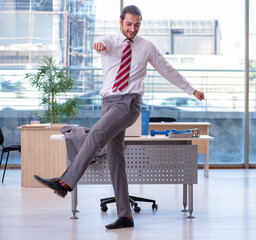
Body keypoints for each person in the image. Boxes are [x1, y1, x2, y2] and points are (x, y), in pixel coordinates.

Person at [34, 5, 205, 230]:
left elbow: (167, 69)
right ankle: (125, 215)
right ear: (120, 22)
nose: (132, 29)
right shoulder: (110, 41)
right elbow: (100, 45)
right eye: (128, 24)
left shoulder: (147, 47)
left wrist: (191, 90)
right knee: (116, 158)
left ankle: (65, 183)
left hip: (128, 103)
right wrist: (98, 46)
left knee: (95, 135)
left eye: (137, 25)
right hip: (108, 103)